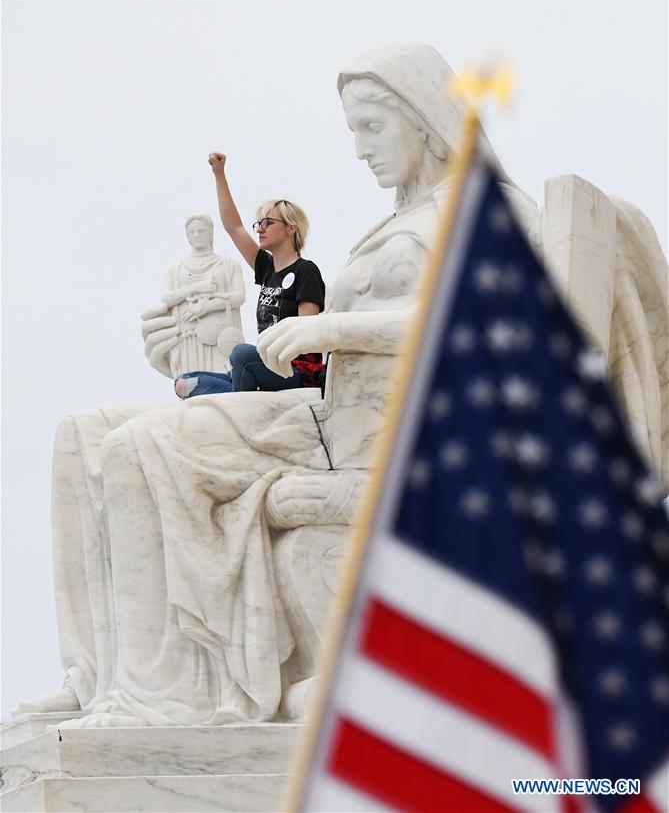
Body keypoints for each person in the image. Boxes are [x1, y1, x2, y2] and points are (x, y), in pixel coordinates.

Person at [15, 45, 666, 728]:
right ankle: (93, 674)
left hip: (403, 438)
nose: (359, 149)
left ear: (422, 119)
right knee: (84, 434)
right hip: (322, 418)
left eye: (370, 127)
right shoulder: (391, 223)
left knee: (140, 448)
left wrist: (337, 333)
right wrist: (187, 361)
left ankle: (155, 696)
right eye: (352, 130)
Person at [174, 175, 326, 399]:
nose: (260, 229)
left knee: (241, 354)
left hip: (295, 371)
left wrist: (265, 357)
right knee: (184, 381)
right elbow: (234, 227)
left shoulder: (306, 271)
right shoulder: (267, 269)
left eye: (267, 223)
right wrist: (219, 173)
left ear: (291, 229)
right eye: (258, 223)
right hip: (265, 365)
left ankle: (242, 400)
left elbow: (304, 334)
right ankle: (244, 392)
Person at [140, 214, 246, 378]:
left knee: (224, 388)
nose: (196, 235)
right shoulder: (176, 269)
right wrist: (196, 288)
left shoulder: (229, 265)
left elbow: (239, 297)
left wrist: (206, 307)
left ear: (210, 233)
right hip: (187, 339)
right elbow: (167, 299)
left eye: (201, 231)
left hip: (221, 338)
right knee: (193, 390)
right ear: (187, 236)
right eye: (192, 232)